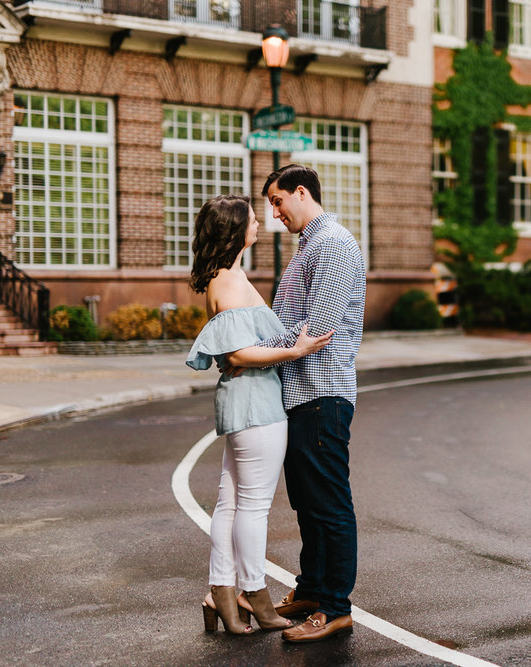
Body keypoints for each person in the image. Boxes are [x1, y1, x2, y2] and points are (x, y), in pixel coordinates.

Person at [226, 165, 366, 643]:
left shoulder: (334, 244)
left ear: (301, 193)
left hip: (322, 391)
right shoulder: (310, 245)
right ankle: (311, 589)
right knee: (307, 504)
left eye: (278, 200)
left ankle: (335, 607)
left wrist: (253, 355)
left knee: (328, 504)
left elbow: (318, 328)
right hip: (299, 392)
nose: (274, 212)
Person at [185, 194, 333, 635]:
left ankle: (222, 596)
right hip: (257, 405)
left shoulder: (226, 276)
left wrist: (266, 349)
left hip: (245, 401)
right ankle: (254, 594)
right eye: (252, 217)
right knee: (252, 507)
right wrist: (295, 350)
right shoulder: (228, 281)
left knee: (230, 503)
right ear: (235, 230)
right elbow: (236, 352)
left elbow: (240, 348)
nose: (259, 222)